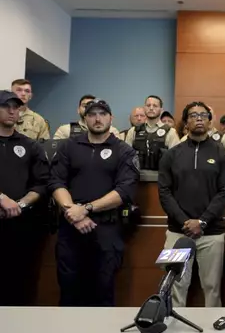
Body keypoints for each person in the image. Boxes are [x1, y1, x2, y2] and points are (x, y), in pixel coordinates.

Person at [49, 99, 139, 306]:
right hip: (71, 228)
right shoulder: (69, 146)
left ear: (111, 117)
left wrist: (87, 209)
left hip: (106, 229)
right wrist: (73, 213)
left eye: (102, 114)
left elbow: (124, 191)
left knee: (103, 290)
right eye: (92, 114)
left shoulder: (124, 150)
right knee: (69, 288)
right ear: (84, 118)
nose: (97, 119)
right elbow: (55, 181)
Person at [158, 102, 225, 307]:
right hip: (177, 232)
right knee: (174, 286)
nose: (199, 118)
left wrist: (201, 221)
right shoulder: (171, 155)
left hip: (212, 234)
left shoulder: (222, 154)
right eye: (193, 115)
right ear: (185, 122)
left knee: (212, 288)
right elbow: (164, 193)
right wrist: (185, 222)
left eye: (203, 115)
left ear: (210, 122)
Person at [0, 91, 50, 306]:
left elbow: (42, 182)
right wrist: (1, 198)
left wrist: (19, 204)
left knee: (21, 282)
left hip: (21, 224)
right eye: (6, 106)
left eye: (16, 107)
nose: (12, 111)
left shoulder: (30, 145)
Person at [125, 95, 180, 170]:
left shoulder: (170, 132)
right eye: (148, 105)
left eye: (155, 106)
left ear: (161, 110)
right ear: (144, 108)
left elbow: (176, 160)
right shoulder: (133, 131)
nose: (151, 108)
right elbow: (125, 158)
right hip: (137, 177)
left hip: (161, 178)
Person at [53, 94, 120, 139]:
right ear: (78, 110)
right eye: (85, 106)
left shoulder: (112, 131)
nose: (88, 108)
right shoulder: (65, 130)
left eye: (92, 106)